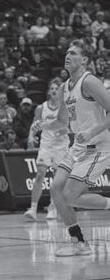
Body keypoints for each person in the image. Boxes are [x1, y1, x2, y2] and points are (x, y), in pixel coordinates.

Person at [36, 40, 110, 257]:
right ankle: (78, 242)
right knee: (56, 189)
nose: (67, 56)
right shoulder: (63, 87)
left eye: (73, 53)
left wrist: (93, 130)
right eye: (67, 52)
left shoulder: (90, 82)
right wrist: (43, 125)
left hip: (98, 147)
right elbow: (62, 121)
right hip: (78, 146)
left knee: (69, 196)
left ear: (84, 59)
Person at [24, 78, 69, 221]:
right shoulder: (41, 108)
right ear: (49, 91)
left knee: (57, 179)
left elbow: (70, 126)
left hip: (61, 145)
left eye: (57, 89)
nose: (54, 91)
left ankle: (53, 206)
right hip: (46, 144)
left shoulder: (65, 107)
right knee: (40, 174)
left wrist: (64, 131)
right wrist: (31, 137)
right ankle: (33, 209)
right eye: (52, 88)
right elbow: (35, 125)